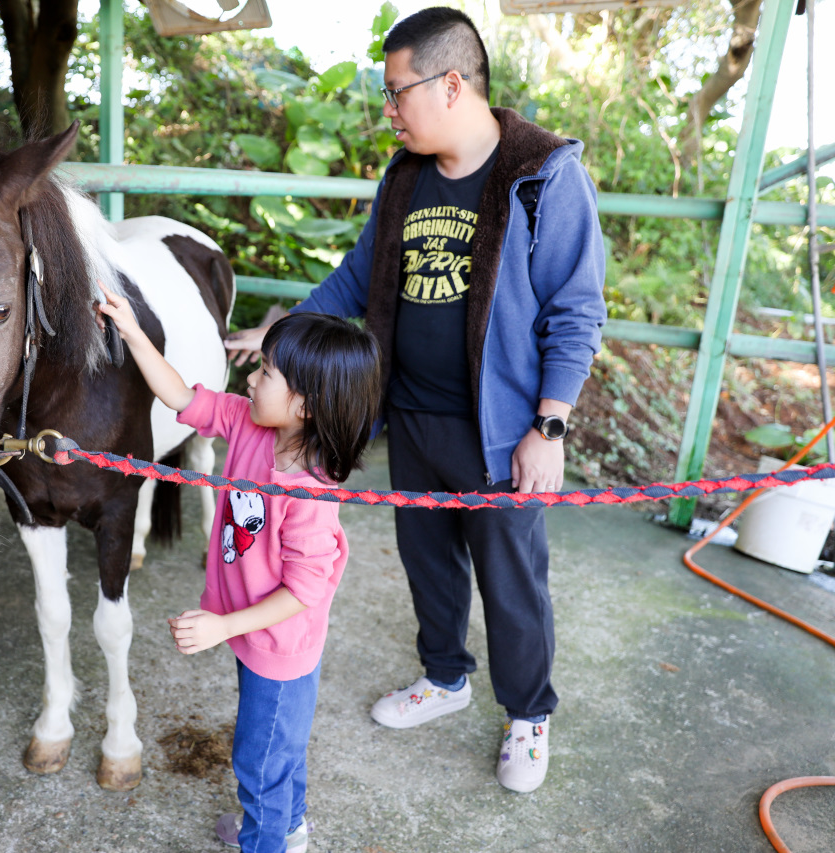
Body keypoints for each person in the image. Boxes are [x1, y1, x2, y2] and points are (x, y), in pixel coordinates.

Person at [224, 7, 607, 794]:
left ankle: (528, 713)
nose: (388, 110)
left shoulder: (541, 175)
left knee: (510, 579)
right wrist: (281, 330)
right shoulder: (404, 180)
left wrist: (549, 422)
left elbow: (577, 308)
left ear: (452, 83)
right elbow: (355, 279)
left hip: (499, 427)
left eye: (397, 92)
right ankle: (443, 676)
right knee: (426, 561)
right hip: (414, 414)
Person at [98, 287, 382, 853]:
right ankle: (287, 827)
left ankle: (266, 839)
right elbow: (182, 396)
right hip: (254, 635)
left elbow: (305, 589)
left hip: (278, 644)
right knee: (280, 748)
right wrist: (130, 330)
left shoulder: (309, 494)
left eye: (268, 372)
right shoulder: (253, 426)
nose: (251, 378)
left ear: (304, 404)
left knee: (259, 761)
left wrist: (223, 626)